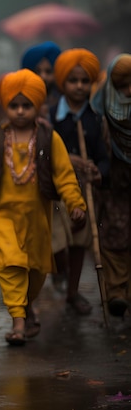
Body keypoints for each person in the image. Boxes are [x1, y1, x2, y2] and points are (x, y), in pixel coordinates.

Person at [0, 69, 86, 345]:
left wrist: (75, 204)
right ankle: (18, 323)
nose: (20, 111)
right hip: (2, 218)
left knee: (35, 274)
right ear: (5, 106)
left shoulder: (48, 138)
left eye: (26, 106)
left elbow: (65, 176)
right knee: (11, 265)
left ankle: (26, 307)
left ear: (38, 106)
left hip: (37, 220)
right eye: (14, 105)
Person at [50, 49, 108, 315]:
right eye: (73, 81)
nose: (80, 86)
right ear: (62, 81)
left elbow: (103, 157)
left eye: (85, 81)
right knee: (57, 241)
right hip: (54, 191)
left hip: (84, 190)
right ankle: (58, 270)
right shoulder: (50, 117)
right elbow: (42, 152)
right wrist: (67, 159)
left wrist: (98, 171)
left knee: (78, 242)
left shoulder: (95, 119)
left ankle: (73, 293)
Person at [90, 53, 131, 319]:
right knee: (115, 238)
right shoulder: (99, 116)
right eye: (123, 86)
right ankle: (116, 292)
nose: (129, 91)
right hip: (113, 190)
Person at [21, 41, 63, 119]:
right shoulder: (19, 104)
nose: (43, 77)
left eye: (48, 71)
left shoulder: (65, 101)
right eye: (37, 71)